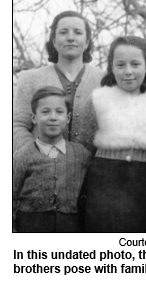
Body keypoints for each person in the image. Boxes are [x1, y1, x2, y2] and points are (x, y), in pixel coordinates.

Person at [78, 36, 146, 232]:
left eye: (135, 64)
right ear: (112, 67)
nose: (128, 71)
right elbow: (84, 147)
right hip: (103, 185)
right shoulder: (98, 99)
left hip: (145, 185)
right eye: (120, 64)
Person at [13, 10, 103, 152]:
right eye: (63, 32)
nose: (70, 38)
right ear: (54, 42)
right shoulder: (29, 79)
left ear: (86, 43)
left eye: (78, 32)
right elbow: (17, 125)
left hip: (94, 170)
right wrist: (35, 156)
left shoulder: (104, 80)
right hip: (40, 170)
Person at [13, 87, 91, 232]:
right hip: (31, 228)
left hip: (71, 229)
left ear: (67, 118)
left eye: (59, 112)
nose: (53, 117)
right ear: (34, 118)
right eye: (45, 111)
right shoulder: (22, 156)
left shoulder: (81, 154)